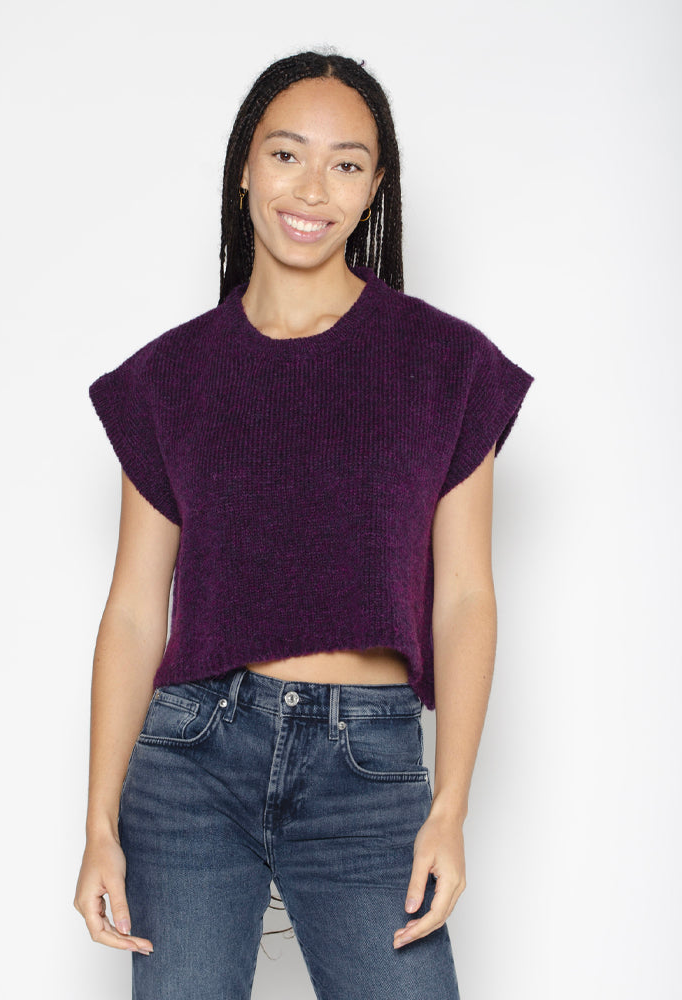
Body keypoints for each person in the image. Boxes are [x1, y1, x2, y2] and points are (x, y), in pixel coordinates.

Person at [73, 50, 533, 1000]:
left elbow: (464, 597)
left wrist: (450, 808)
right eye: (287, 154)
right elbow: (133, 611)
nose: (312, 189)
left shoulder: (444, 365)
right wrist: (98, 825)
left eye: (346, 163)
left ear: (375, 188)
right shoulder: (169, 379)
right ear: (245, 165)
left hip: (367, 767)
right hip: (192, 762)